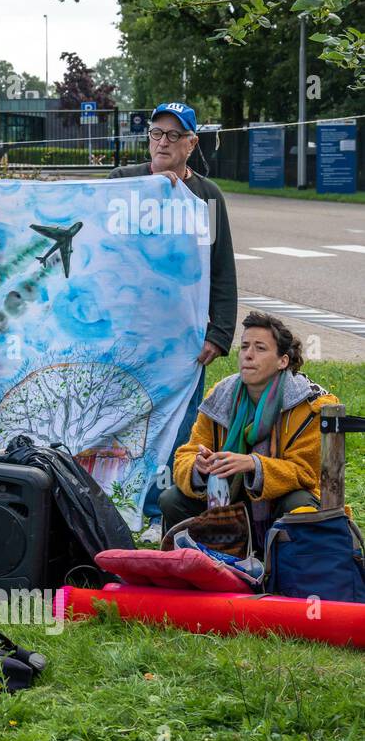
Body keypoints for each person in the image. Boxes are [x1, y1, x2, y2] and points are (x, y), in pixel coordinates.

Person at [108, 102, 238, 540]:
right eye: (156, 134)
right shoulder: (122, 182)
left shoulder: (207, 196)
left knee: (178, 426)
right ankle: (112, 503)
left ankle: (156, 509)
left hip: (182, 342)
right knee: (123, 420)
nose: (162, 142)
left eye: (173, 136)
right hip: (126, 332)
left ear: (191, 143)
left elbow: (222, 269)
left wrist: (219, 334)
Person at [160, 311, 336, 537]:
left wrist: (254, 465)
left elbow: (307, 473)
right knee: (171, 499)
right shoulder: (221, 396)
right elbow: (187, 453)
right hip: (230, 498)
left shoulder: (308, 405)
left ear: (283, 361)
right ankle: (215, 557)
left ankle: (279, 560)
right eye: (244, 347)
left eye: (260, 348)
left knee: (299, 503)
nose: (248, 355)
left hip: (278, 502)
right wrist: (198, 466)